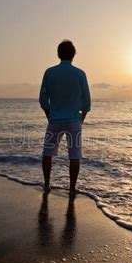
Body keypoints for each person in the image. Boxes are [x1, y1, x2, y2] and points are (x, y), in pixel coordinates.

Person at [39, 40, 91, 196]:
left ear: (58, 54)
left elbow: (43, 99)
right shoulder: (80, 74)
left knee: (47, 153)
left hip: (55, 120)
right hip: (74, 120)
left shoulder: (49, 72)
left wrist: (49, 115)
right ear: (74, 54)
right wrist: (80, 120)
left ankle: (47, 184)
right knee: (74, 155)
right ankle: (72, 188)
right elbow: (86, 102)